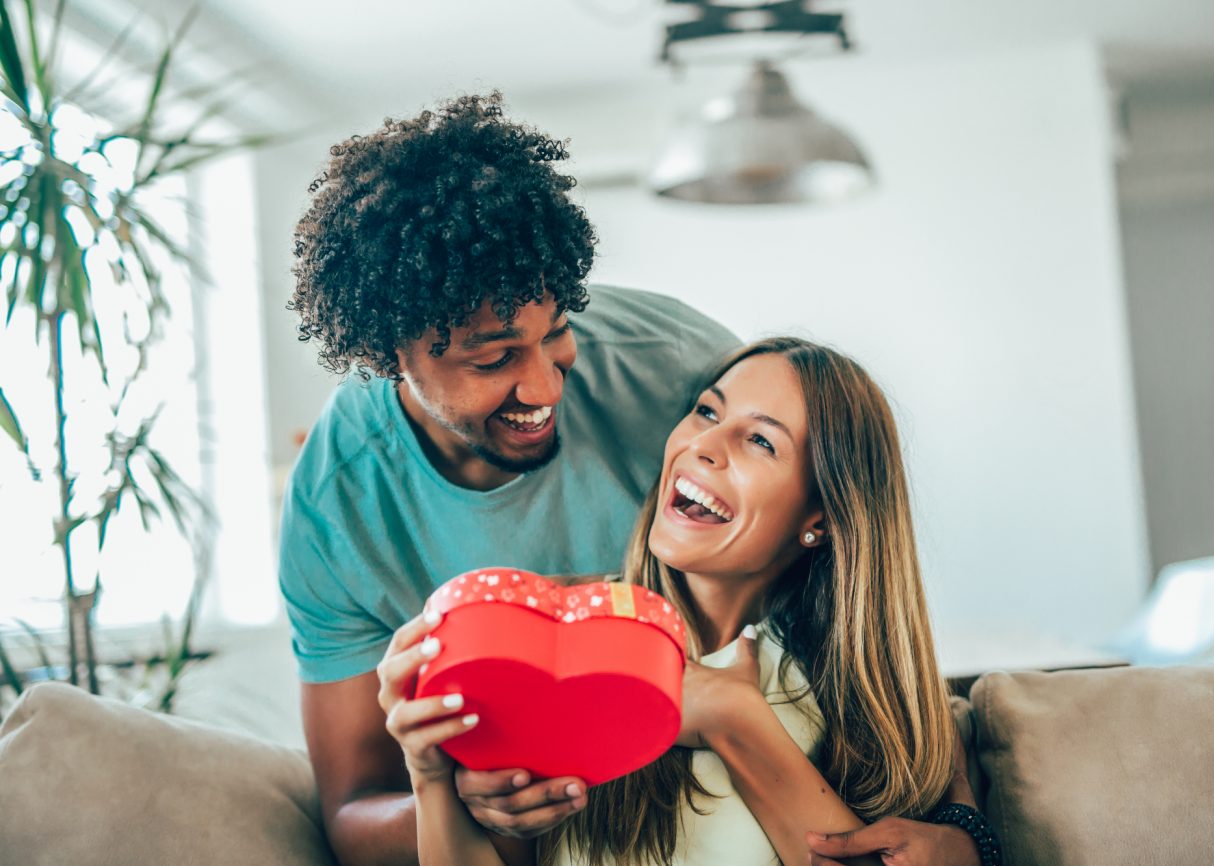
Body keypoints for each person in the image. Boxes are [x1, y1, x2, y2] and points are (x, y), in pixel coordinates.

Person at [281, 92, 987, 866]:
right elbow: (352, 809)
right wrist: (459, 795)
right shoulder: (337, 504)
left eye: (557, 334)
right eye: (493, 360)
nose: (547, 390)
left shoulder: (674, 370)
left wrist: (966, 830)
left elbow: (869, 619)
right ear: (390, 356)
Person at [379, 337, 997, 866]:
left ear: (823, 515)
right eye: (706, 411)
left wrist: (731, 716)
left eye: (760, 441)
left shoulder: (867, 703)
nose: (704, 444)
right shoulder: (562, 643)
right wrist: (431, 774)